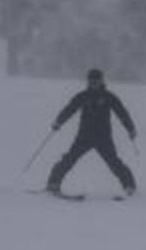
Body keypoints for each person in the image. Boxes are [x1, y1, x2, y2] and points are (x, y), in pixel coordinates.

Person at [45, 68, 137, 197]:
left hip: (103, 137)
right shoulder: (82, 96)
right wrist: (58, 122)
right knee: (69, 158)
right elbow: (69, 109)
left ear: (101, 81)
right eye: (91, 81)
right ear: (88, 82)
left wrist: (130, 128)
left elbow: (122, 112)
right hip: (84, 136)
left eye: (96, 81)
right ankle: (53, 183)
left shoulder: (109, 97)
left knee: (113, 162)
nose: (93, 83)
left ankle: (129, 185)